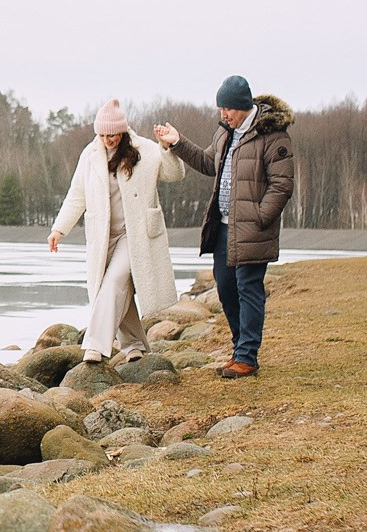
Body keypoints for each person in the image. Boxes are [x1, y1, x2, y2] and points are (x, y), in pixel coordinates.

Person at [154, 76, 295, 379]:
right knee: (227, 289)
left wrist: (259, 217)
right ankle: (239, 350)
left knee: (248, 288)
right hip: (223, 229)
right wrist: (177, 142)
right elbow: (208, 163)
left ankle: (246, 357)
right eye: (221, 109)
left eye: (228, 109)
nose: (224, 115)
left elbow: (282, 185)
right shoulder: (225, 134)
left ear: (244, 106)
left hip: (254, 228)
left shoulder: (274, 136)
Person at [47, 99, 186, 363]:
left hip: (134, 234)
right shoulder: (89, 156)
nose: (107, 140)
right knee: (113, 287)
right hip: (102, 237)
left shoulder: (144, 149)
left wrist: (168, 148)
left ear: (122, 131)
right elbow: (77, 195)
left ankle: (96, 345)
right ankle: (134, 346)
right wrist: (59, 230)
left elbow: (174, 174)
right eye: (102, 135)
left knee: (113, 282)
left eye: (112, 135)